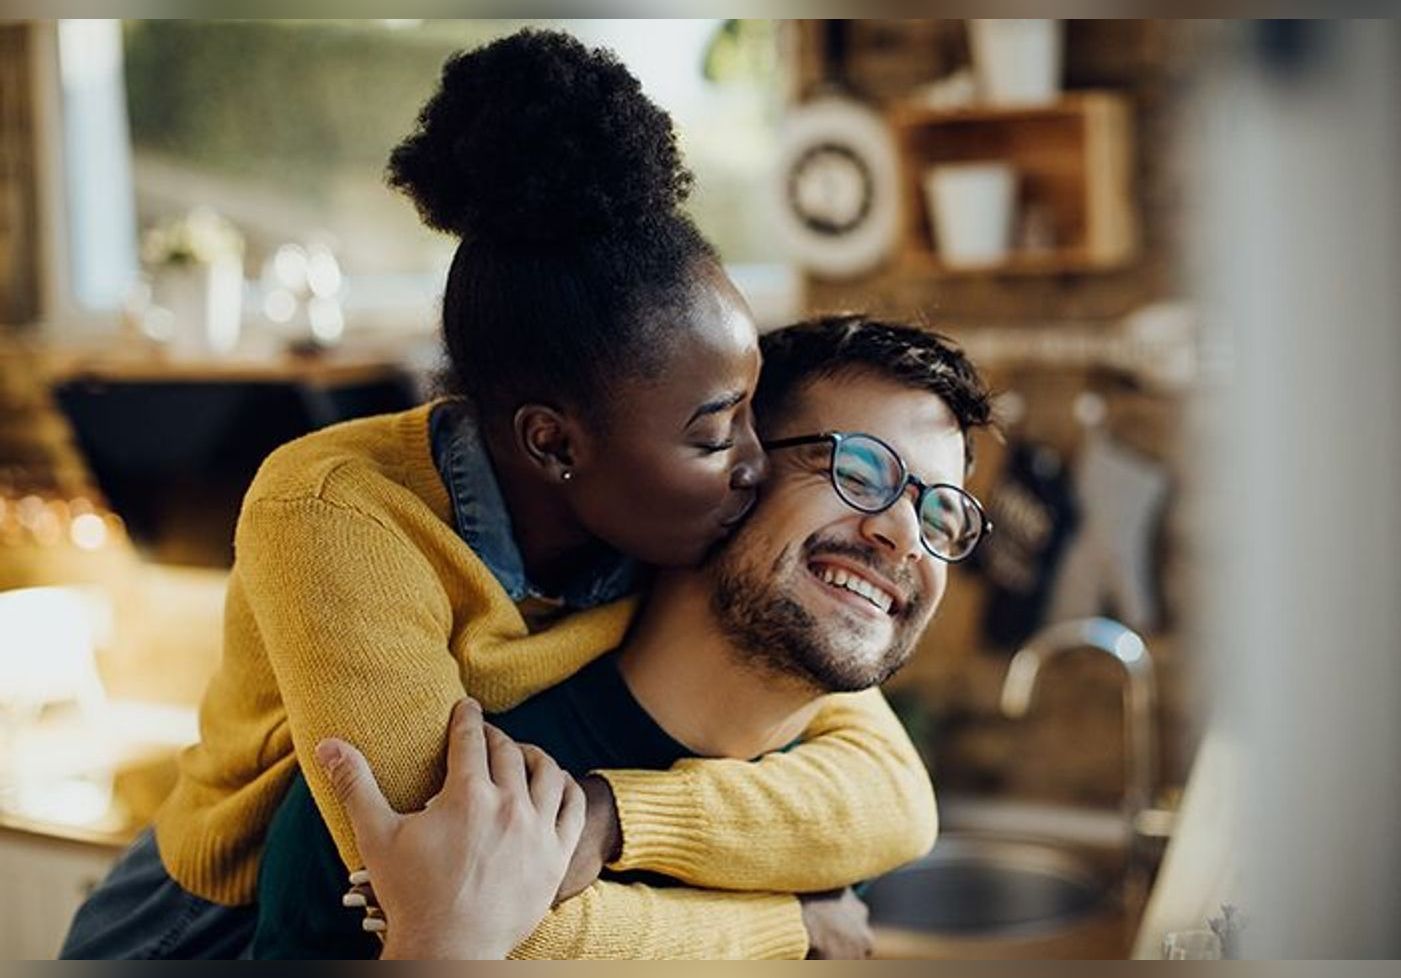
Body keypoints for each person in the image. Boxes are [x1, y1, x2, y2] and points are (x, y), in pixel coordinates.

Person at [60, 33, 936, 960]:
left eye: (753, 412)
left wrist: (611, 817)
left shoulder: (669, 510)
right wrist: (786, 926)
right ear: (553, 442)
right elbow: (447, 889)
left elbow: (889, 792)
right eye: (717, 430)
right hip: (201, 931)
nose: (757, 464)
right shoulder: (333, 511)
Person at [258, 315, 995, 959]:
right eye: (859, 471)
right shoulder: (432, 793)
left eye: (941, 517)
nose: (904, 537)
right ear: (728, 477)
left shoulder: (826, 829)